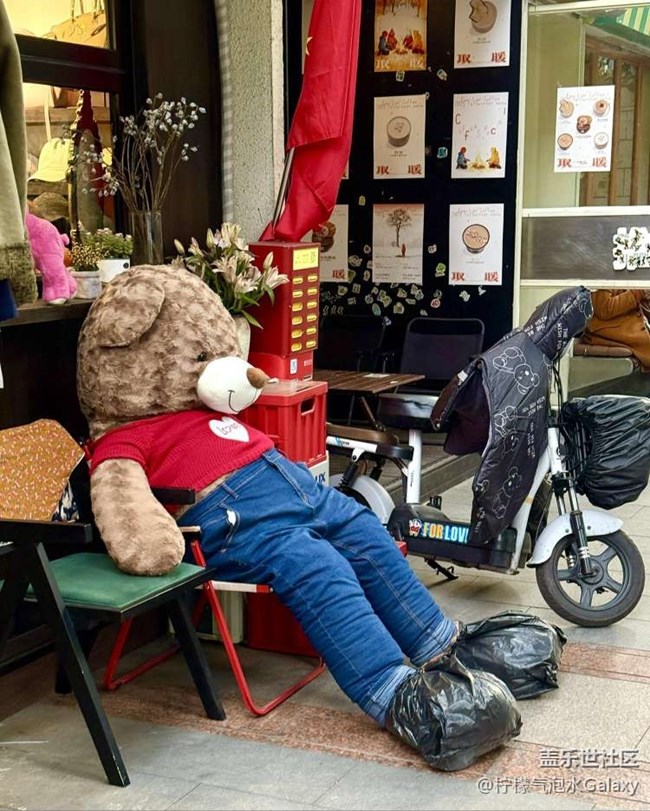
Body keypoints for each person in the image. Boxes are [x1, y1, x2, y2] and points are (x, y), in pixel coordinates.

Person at [582, 288, 650, 370]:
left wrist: (645, 296)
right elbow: (605, 309)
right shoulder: (602, 282)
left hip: (632, 323)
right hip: (614, 328)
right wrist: (640, 292)